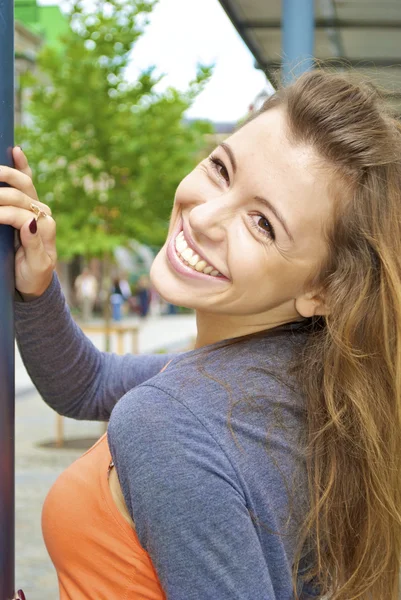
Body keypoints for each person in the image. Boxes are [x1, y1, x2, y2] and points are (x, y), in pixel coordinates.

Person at [5, 70, 401, 599]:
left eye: (263, 223)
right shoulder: (303, 383)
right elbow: (88, 383)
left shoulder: (175, 421)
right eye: (220, 168)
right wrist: (39, 282)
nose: (206, 215)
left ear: (323, 290)